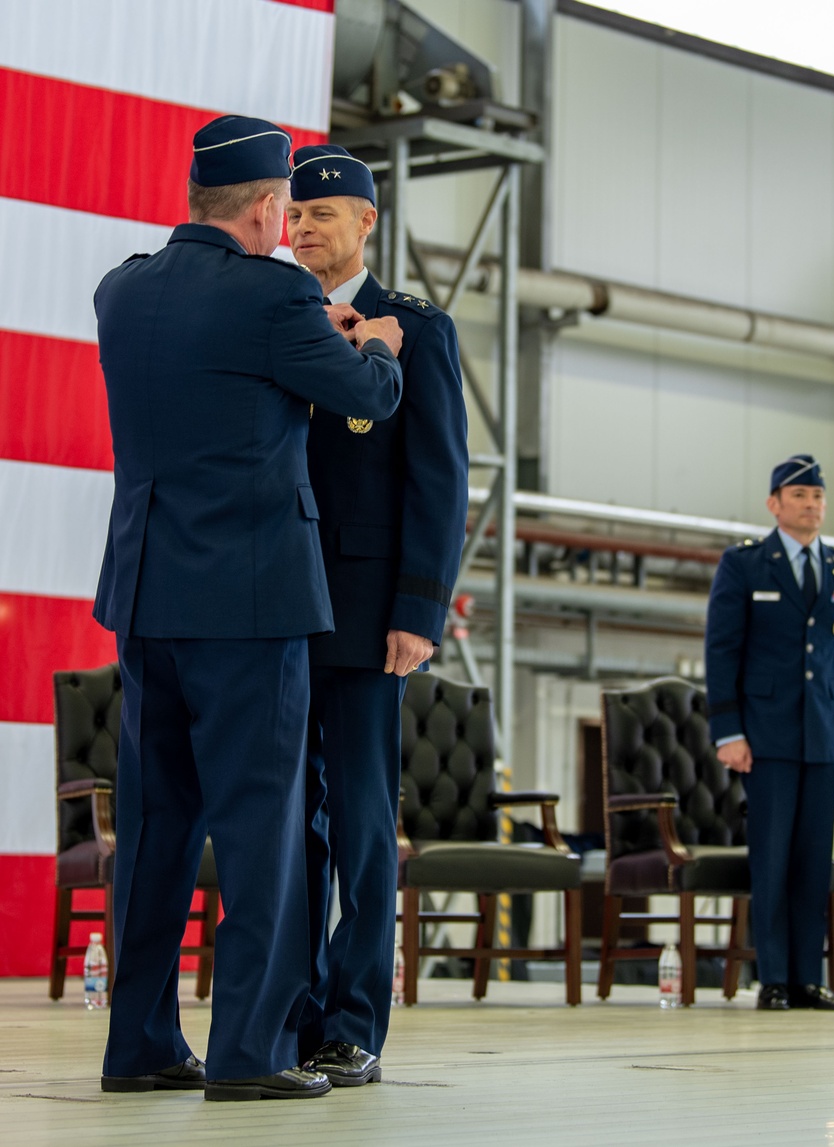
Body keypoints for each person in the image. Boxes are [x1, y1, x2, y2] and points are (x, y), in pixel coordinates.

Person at [93, 115, 404, 1100]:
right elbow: (364, 390)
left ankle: (139, 1043)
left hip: (146, 599)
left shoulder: (124, 290)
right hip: (252, 604)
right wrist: (381, 346)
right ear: (270, 208)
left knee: (155, 834)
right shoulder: (275, 296)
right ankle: (252, 1052)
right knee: (263, 831)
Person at [284, 144, 468, 1084]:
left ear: (366, 222)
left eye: (325, 214)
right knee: (287, 824)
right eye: (296, 214)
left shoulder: (416, 328)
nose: (305, 227)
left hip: (364, 612)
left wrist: (418, 608)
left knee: (358, 822)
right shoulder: (271, 316)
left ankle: (351, 1020)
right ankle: (287, 1016)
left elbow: (438, 479)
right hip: (274, 605)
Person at [704, 454, 834, 1011]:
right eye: (800, 496)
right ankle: (772, 977)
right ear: (775, 504)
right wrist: (728, 730)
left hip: (824, 736)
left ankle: (807, 977)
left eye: (819, 497)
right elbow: (722, 650)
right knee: (772, 859)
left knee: (812, 859)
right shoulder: (746, 564)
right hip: (765, 735)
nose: (812, 506)